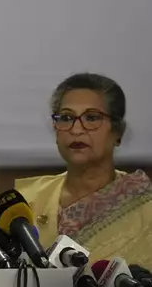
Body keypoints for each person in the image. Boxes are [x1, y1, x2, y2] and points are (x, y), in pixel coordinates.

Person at [16, 73, 152, 267]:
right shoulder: (25, 202)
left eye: (91, 117)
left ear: (117, 132)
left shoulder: (145, 208)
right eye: (66, 117)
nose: (76, 129)